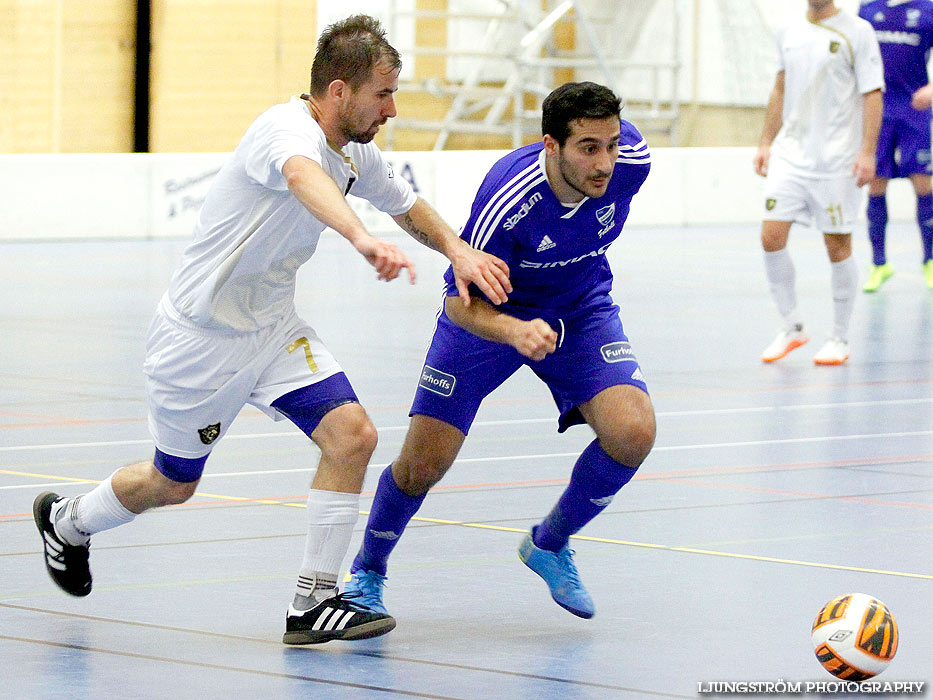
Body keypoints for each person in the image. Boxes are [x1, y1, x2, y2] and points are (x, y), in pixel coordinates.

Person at [32, 14, 511, 646]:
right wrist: (359, 237)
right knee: (171, 484)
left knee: (353, 436)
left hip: (272, 331)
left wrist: (456, 248)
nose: (393, 108)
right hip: (199, 342)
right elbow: (300, 177)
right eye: (383, 94)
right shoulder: (282, 131)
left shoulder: (355, 152)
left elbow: (405, 203)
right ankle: (68, 521)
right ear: (338, 91)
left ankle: (312, 603)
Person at [343, 81, 655, 622]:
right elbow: (459, 304)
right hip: (490, 317)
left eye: (610, 144)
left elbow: (618, 162)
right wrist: (514, 331)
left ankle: (549, 544)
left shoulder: (631, 162)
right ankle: (367, 572)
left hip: (580, 307)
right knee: (423, 466)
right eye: (588, 148)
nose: (605, 162)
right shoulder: (509, 197)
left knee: (633, 433)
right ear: (550, 146)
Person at [754, 0, 884, 366]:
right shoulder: (788, 31)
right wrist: (766, 141)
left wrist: (867, 152)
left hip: (837, 162)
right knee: (771, 237)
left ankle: (839, 338)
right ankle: (792, 326)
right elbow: (780, 88)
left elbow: (872, 94)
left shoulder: (858, 32)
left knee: (837, 246)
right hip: (791, 158)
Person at [858, 0, 933, 292]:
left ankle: (929, 260)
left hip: (914, 112)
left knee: (923, 184)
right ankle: (879, 264)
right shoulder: (868, 10)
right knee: (875, 183)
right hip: (877, 111)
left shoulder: (926, 10)